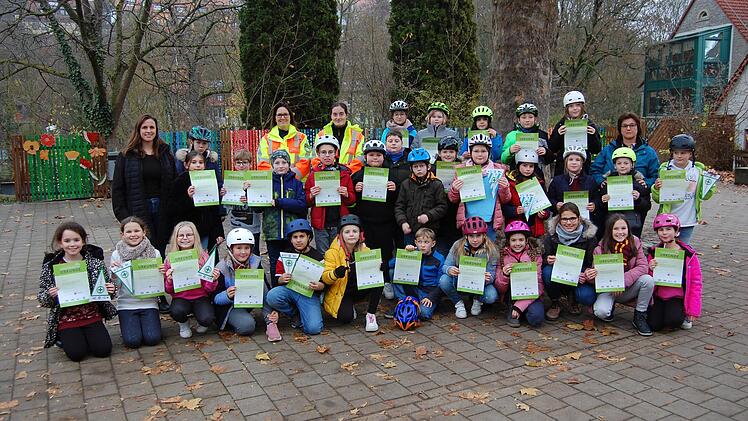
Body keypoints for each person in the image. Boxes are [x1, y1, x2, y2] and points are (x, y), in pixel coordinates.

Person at [38, 222, 117, 361]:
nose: (72, 244)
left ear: (83, 241)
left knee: (103, 350)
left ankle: (85, 337)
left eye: (76, 240)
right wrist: (50, 295)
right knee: (77, 355)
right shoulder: (51, 266)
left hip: (91, 314)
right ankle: (64, 337)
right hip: (66, 317)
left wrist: (111, 289)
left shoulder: (95, 263)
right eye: (67, 241)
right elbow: (42, 297)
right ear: (60, 243)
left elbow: (107, 288)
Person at [111, 114, 176, 256]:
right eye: (144, 127)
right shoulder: (126, 156)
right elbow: (117, 189)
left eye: (152, 127)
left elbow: (174, 183)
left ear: (156, 130)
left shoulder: (165, 154)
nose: (148, 131)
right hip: (138, 209)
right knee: (142, 250)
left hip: (162, 210)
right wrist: (125, 218)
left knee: (159, 249)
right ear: (138, 130)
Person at [590, 215, 654, 336]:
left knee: (648, 280)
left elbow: (643, 266)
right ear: (610, 230)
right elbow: (596, 279)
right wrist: (591, 275)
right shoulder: (599, 249)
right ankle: (610, 308)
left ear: (628, 229)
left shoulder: (635, 242)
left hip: (628, 286)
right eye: (616, 229)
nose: (620, 232)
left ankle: (640, 315)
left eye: (623, 228)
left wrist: (622, 281)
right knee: (601, 312)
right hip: (609, 289)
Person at [352, 140, 398, 299]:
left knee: (385, 252)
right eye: (371, 155)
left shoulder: (391, 175)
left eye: (378, 155)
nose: (375, 158)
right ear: (365, 157)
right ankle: (368, 282)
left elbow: (400, 199)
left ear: (383, 157)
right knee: (366, 252)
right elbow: (350, 201)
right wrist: (355, 189)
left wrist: (395, 189)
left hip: (386, 222)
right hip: (365, 222)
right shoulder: (358, 175)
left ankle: (385, 281)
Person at [213, 228, 279, 340]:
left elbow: (266, 289)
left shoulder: (255, 262)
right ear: (230, 249)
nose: (243, 252)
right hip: (230, 306)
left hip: (250, 300)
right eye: (239, 248)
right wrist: (227, 295)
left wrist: (274, 310)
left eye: (247, 248)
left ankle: (270, 322)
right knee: (247, 327)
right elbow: (215, 299)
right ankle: (234, 320)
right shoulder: (221, 267)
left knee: (262, 283)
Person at [321, 215, 384, 332]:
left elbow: (374, 273)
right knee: (346, 318)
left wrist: (379, 267)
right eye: (347, 232)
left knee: (379, 279)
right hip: (341, 291)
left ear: (360, 234)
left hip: (359, 288)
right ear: (340, 235)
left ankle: (371, 315)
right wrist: (335, 274)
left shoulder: (365, 250)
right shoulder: (332, 253)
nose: (351, 234)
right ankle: (349, 306)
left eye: (355, 231)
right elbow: (325, 278)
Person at [651, 134, 715, 244]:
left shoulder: (697, 171)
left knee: (683, 247)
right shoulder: (665, 170)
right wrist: (656, 188)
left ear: (690, 153)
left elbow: (705, 195)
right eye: (676, 153)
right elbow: (657, 199)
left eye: (683, 153)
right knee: (668, 248)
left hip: (688, 220)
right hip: (668, 220)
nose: (679, 156)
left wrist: (710, 181)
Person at [110, 217, 163, 348]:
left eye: (136, 231)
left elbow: (160, 284)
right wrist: (115, 274)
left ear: (144, 232)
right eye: (128, 232)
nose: (133, 234)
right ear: (122, 234)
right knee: (132, 341)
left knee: (153, 338)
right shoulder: (116, 255)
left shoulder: (154, 253)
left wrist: (163, 273)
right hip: (126, 304)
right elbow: (116, 287)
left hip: (149, 302)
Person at [255, 150, 307, 284]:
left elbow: (302, 205)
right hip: (272, 232)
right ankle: (276, 289)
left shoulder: (296, 183)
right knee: (274, 263)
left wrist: (279, 202)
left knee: (292, 263)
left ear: (289, 164)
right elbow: (257, 208)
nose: (281, 166)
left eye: (284, 162)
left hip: (292, 232)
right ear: (272, 165)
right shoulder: (266, 183)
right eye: (277, 163)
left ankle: (293, 289)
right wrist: (249, 193)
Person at [266, 219, 325, 336]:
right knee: (272, 296)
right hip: (289, 290)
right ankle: (294, 314)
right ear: (291, 239)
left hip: (308, 294)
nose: (298, 240)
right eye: (295, 237)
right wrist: (281, 279)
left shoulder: (318, 257)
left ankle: (304, 315)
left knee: (314, 329)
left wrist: (320, 286)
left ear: (309, 237)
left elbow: (325, 282)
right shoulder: (285, 255)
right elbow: (277, 279)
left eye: (302, 236)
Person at [448, 134, 512, 241]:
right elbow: (453, 199)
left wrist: (505, 188)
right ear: (471, 152)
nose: (480, 154)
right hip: (468, 221)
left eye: (483, 151)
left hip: (490, 221)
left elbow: (506, 199)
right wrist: (454, 189)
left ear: (489, 153)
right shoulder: (462, 170)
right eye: (476, 151)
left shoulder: (498, 170)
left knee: (490, 249)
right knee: (470, 249)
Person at [541, 203, 598, 320]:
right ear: (559, 219)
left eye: (572, 218)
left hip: (579, 277)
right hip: (558, 276)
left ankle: (574, 299)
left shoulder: (589, 237)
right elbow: (543, 259)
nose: (568, 222)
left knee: (587, 297)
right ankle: (556, 301)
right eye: (564, 219)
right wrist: (548, 260)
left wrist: (584, 273)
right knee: (547, 272)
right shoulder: (551, 236)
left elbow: (590, 263)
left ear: (579, 218)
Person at [646, 214, 702, 331]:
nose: (664, 233)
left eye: (668, 229)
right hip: (658, 295)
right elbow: (648, 279)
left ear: (676, 232)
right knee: (654, 325)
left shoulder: (688, 254)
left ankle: (683, 315)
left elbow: (695, 282)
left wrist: (693, 311)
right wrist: (650, 268)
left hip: (677, 296)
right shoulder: (654, 252)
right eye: (661, 230)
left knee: (672, 321)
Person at [163, 221, 218, 338]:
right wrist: (169, 280)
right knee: (176, 311)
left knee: (207, 319)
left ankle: (202, 321)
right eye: (181, 235)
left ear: (195, 237)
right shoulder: (170, 259)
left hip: (201, 296)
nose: (185, 238)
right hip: (180, 297)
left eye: (189, 235)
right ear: (175, 238)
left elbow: (209, 289)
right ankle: (183, 324)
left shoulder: (204, 257)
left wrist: (213, 280)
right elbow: (168, 290)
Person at [438, 216, 499, 318]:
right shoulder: (457, 245)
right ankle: (458, 303)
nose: (475, 240)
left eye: (478, 236)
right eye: (471, 236)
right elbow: (445, 266)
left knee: (491, 296)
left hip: (481, 284)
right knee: (444, 280)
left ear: (484, 235)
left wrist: (488, 278)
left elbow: (492, 274)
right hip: (461, 280)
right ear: (466, 236)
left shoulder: (491, 249)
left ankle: (477, 299)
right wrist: (449, 270)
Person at [305, 135, 356, 253]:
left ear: (335, 153)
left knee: (340, 253)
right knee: (323, 254)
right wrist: (311, 195)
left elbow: (352, 200)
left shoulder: (344, 174)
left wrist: (346, 194)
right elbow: (306, 201)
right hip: (320, 224)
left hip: (339, 221)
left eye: (330, 152)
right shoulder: (313, 175)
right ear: (318, 154)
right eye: (323, 152)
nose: (327, 155)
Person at [169, 151, 225, 251]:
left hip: (206, 228)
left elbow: (214, 209)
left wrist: (219, 232)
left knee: (205, 255)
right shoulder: (179, 181)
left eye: (201, 162)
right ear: (186, 165)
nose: (198, 165)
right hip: (187, 230)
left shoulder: (209, 180)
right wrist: (188, 198)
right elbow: (174, 208)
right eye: (194, 162)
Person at [386, 228, 444, 321]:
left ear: (433, 244)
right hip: (414, 288)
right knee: (392, 271)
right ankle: (402, 302)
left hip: (429, 292)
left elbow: (441, 283)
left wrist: (431, 297)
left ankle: (430, 304)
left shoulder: (439, 259)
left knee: (424, 314)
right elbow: (391, 264)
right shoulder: (413, 253)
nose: (423, 245)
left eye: (426, 242)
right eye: (420, 242)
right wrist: (405, 253)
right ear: (415, 243)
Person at [394, 148, 449, 245]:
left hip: (430, 231)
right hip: (411, 230)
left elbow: (442, 206)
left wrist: (428, 215)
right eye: (415, 166)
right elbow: (399, 206)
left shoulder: (436, 184)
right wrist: (403, 222)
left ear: (428, 166)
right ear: (411, 169)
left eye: (422, 166)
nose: (419, 169)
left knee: (428, 253)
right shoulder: (405, 184)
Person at [590, 113, 660, 187]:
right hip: (610, 192)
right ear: (620, 128)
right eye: (625, 126)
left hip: (639, 193)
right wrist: (601, 181)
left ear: (638, 127)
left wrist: (646, 183)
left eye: (632, 125)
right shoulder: (608, 150)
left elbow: (656, 176)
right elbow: (594, 171)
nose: (628, 128)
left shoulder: (648, 152)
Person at [496, 221, 544, 328]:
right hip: (511, 295)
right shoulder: (502, 256)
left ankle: (521, 310)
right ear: (508, 241)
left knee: (536, 319)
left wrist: (520, 306)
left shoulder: (535, 256)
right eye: (513, 240)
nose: (517, 244)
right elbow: (500, 289)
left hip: (531, 295)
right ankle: (512, 307)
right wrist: (504, 275)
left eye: (521, 240)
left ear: (526, 240)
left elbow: (539, 285)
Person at [596, 148, 651, 237]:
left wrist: (638, 199)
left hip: (632, 225)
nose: (622, 166)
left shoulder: (639, 183)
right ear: (614, 166)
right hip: (612, 224)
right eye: (619, 163)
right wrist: (603, 201)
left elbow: (647, 206)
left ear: (632, 165)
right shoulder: (607, 183)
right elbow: (600, 206)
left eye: (626, 163)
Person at [548, 91, 602, 175]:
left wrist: (593, 135)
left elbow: (596, 149)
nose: (575, 108)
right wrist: (558, 135)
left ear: (582, 107)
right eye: (571, 106)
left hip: (583, 168)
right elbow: (552, 147)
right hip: (563, 168)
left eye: (578, 105)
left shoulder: (589, 124)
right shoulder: (561, 124)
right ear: (566, 109)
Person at [256, 102, 312, 179]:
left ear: (290, 117)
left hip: (296, 183)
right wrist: (277, 177)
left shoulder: (302, 138)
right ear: (275, 118)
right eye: (279, 115)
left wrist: (290, 176)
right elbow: (262, 164)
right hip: (274, 183)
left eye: (285, 114)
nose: (282, 117)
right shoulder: (266, 139)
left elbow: (306, 162)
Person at [502, 149, 550, 238]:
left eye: (531, 166)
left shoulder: (539, 182)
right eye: (524, 165)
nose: (528, 169)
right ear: (518, 165)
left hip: (534, 226)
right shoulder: (510, 183)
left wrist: (544, 214)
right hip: (516, 226)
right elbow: (504, 206)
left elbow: (546, 206)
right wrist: (515, 210)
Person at [227, 149, 262, 257]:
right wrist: (224, 194)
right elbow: (226, 206)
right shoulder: (230, 180)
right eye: (238, 163)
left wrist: (249, 195)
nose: (241, 165)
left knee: (253, 253)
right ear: (234, 164)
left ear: (250, 164)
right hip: (235, 225)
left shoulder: (256, 180)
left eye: (245, 162)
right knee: (237, 253)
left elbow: (261, 204)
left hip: (253, 226)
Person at [432, 136, 463, 257]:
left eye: (451, 152)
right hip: (438, 212)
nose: (448, 155)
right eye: (445, 152)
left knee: (456, 244)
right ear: (439, 153)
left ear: (456, 153)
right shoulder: (432, 169)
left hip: (456, 210)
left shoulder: (462, 168)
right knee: (440, 246)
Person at [546, 147, 599, 219]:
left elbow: (597, 198)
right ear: (566, 162)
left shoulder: (590, 180)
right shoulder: (557, 181)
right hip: (562, 219)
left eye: (577, 160)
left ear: (582, 163)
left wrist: (594, 205)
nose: (574, 162)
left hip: (585, 219)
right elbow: (549, 199)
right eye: (571, 159)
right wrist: (556, 205)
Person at [315, 102, 365, 174]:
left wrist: (346, 172)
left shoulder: (357, 135)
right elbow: (315, 158)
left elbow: (360, 159)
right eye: (335, 114)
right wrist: (327, 171)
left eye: (341, 114)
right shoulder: (321, 134)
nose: (338, 118)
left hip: (350, 175)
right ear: (331, 116)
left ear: (346, 115)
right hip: (326, 176)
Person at [500, 103, 552, 171]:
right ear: (519, 120)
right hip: (516, 173)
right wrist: (509, 151)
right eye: (523, 117)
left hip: (537, 173)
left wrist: (546, 152)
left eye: (530, 117)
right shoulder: (511, 135)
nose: (527, 120)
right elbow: (504, 160)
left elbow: (550, 159)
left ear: (535, 119)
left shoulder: (542, 135)